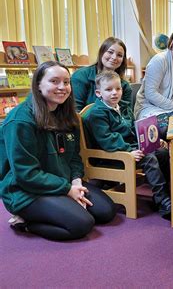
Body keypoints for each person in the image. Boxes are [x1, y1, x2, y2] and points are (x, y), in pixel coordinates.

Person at [0, 61, 116, 241]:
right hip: (25, 191)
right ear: (38, 84)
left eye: (66, 82)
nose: (62, 87)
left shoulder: (67, 116)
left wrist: (76, 182)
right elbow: (26, 174)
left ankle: (56, 207)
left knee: (106, 211)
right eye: (54, 81)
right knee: (81, 224)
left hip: (60, 183)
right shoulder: (20, 121)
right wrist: (68, 189)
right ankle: (25, 223)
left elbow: (74, 157)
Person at [82, 71, 171, 219]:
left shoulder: (123, 107)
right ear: (99, 93)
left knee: (161, 151)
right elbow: (108, 140)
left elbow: (133, 130)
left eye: (118, 89)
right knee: (148, 157)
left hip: (129, 149)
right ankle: (163, 201)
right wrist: (129, 151)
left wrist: (153, 142)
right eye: (109, 90)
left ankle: (164, 194)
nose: (114, 93)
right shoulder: (97, 114)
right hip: (112, 155)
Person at [134, 25, 173, 137]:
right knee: (169, 127)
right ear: (172, 41)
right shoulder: (159, 61)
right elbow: (150, 93)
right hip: (151, 107)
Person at [71, 37, 132, 118]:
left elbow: (127, 115)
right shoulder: (80, 76)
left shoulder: (125, 86)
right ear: (101, 53)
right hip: (85, 126)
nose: (114, 57)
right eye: (110, 52)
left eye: (119, 55)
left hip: (116, 128)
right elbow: (76, 112)